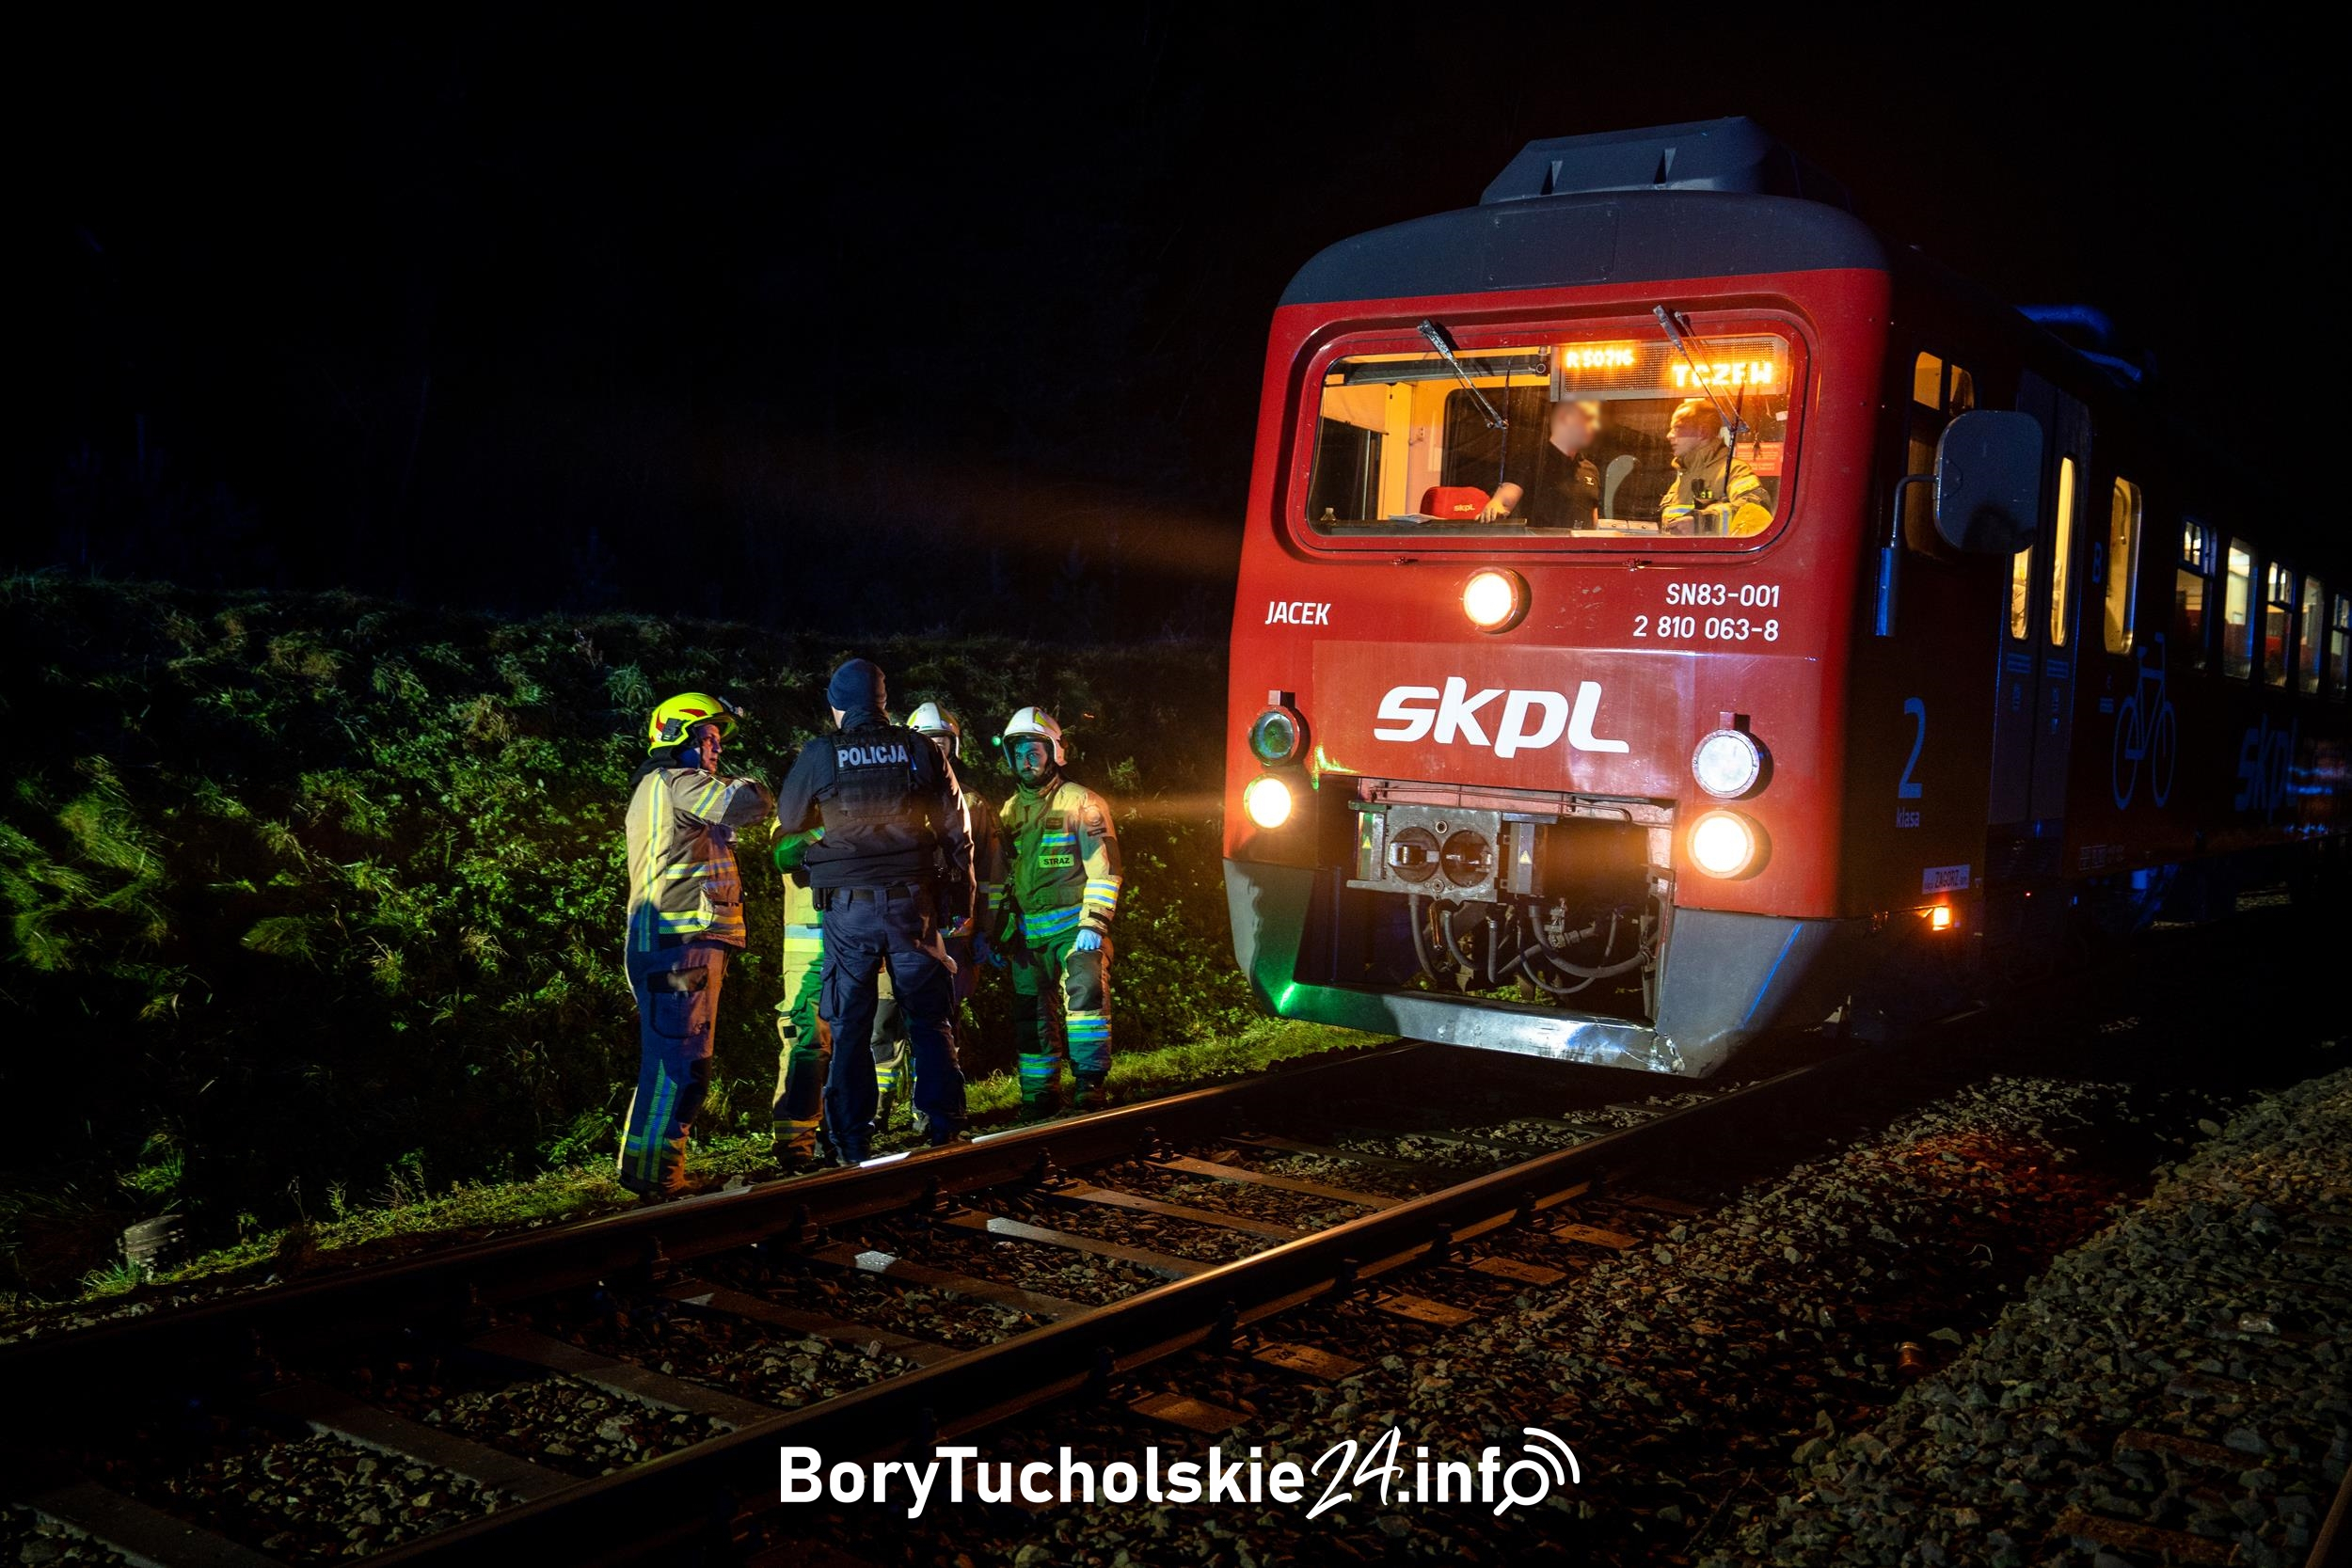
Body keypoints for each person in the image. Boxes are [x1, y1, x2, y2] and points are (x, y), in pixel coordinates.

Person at [769, 659, 975, 1162]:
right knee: (929, 1018)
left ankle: (852, 1139)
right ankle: (945, 1126)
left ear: (837, 705)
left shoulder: (820, 753)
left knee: (851, 1023)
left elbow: (790, 823)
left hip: (848, 911)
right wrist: (961, 900)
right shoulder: (918, 747)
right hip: (913, 906)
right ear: (882, 701)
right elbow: (956, 829)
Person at [617, 692, 773, 1199]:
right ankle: (657, 1179)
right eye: (706, 738)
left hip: (676, 945)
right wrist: (755, 785)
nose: (714, 750)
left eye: (717, 741)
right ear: (676, 739)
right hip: (679, 946)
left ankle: (649, 1170)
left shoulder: (661, 788)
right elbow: (747, 803)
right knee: (680, 1063)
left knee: (674, 1059)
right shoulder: (678, 782)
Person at [988, 706, 1122, 1116]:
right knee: (1031, 1016)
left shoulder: (1082, 802)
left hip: (1074, 932)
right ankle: (1039, 1095)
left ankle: (1089, 1085)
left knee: (1084, 1002)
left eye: (1035, 752)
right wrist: (995, 931)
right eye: (1020, 754)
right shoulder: (1009, 811)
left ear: (1053, 753)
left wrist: (1094, 923)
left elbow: (1105, 865)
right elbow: (999, 879)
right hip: (1028, 937)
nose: (1027, 762)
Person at [1659, 399, 1773, 537]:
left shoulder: (1733, 470)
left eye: (1678, 428)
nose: (1669, 435)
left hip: (1714, 558)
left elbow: (1757, 508)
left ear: (1703, 432)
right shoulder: (1682, 477)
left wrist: (1702, 523)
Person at [1480, 399, 1602, 527]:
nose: (1594, 426)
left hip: (1584, 546)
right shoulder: (1531, 460)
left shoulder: (1590, 469)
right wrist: (1494, 509)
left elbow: (1593, 518)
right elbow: (1503, 502)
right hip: (1542, 545)